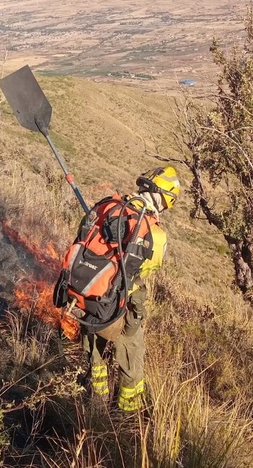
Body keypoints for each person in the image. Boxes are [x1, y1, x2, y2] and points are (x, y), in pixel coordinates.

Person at [81, 165, 180, 412]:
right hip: (121, 304)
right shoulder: (154, 234)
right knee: (131, 359)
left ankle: (95, 404)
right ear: (164, 198)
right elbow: (145, 271)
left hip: (88, 292)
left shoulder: (108, 205)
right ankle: (126, 415)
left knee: (95, 356)